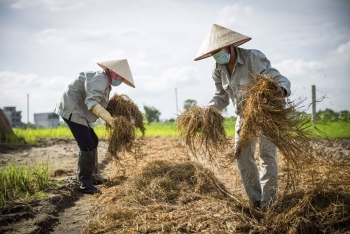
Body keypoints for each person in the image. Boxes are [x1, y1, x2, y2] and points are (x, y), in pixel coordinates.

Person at [194, 24, 291, 210]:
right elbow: (221, 97)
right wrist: (207, 112)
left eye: (218, 50)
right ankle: (256, 200)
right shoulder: (217, 69)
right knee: (242, 156)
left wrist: (279, 90)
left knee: (267, 156)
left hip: (266, 114)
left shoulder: (252, 58)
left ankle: (268, 204)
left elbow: (277, 78)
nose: (216, 55)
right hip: (244, 116)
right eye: (213, 52)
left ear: (229, 46)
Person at [54, 59, 135, 194]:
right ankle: (85, 184)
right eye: (120, 78)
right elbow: (92, 102)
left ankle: (93, 176)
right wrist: (111, 120)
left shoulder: (105, 82)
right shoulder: (100, 79)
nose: (120, 81)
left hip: (79, 110)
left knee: (94, 140)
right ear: (114, 73)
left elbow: (100, 102)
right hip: (72, 109)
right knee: (86, 144)